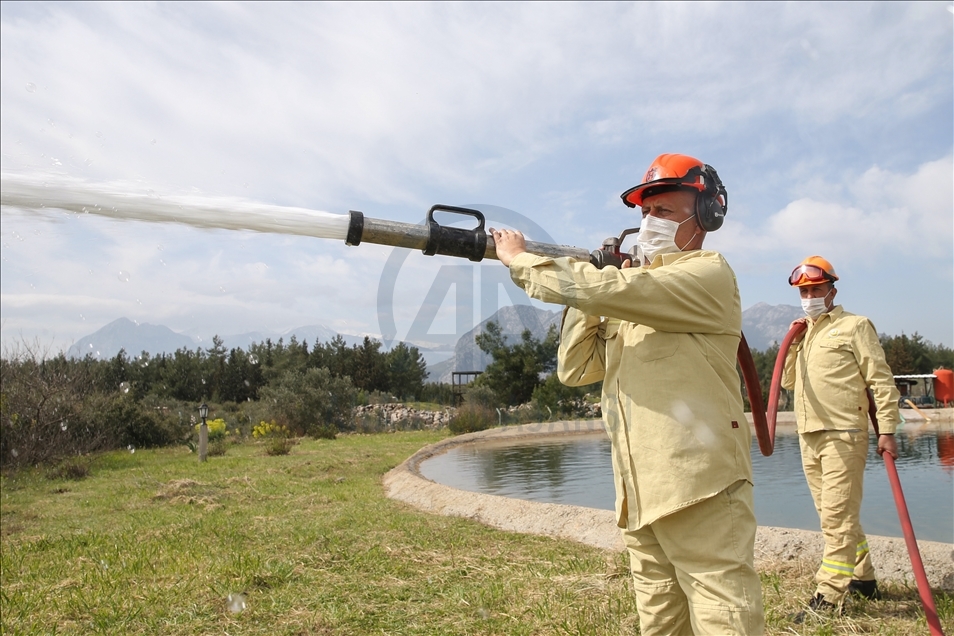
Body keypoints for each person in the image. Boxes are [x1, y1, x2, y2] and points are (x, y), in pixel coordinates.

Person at [492, 154, 764, 635]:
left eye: (663, 212)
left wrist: (522, 261)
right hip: (640, 491)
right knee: (659, 622)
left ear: (705, 216)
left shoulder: (706, 275)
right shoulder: (630, 292)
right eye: (644, 213)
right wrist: (591, 292)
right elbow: (575, 369)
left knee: (725, 619)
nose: (648, 223)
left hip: (699, 486)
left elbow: (615, 289)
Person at [781, 256, 900, 620]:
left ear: (832, 289)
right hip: (809, 434)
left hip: (843, 434)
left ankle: (828, 596)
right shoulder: (804, 332)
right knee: (834, 515)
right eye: (804, 290)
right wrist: (794, 342)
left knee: (836, 517)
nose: (810, 295)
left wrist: (889, 430)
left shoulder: (855, 326)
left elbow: (880, 380)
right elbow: (788, 383)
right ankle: (864, 579)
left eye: (816, 288)